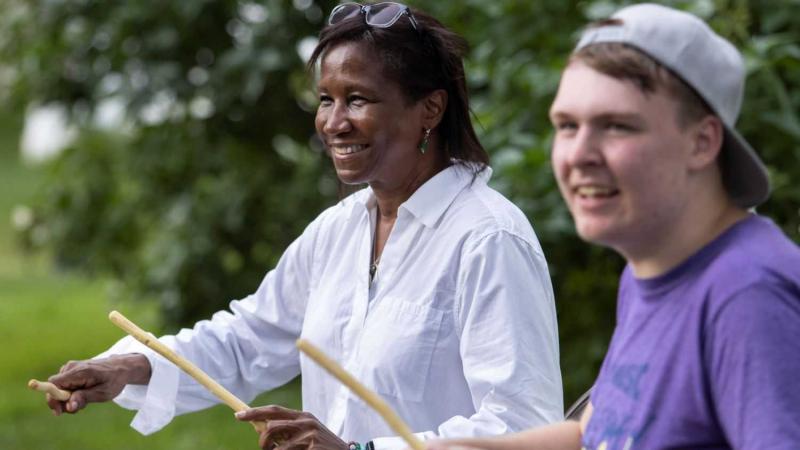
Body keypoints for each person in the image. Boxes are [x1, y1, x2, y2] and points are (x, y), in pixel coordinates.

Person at [44, 3, 564, 450]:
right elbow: (247, 339)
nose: (333, 122)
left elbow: (523, 428)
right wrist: (129, 366)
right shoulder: (337, 230)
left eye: (357, 99)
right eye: (325, 99)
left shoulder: (489, 239)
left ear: (430, 107)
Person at [423, 3, 800, 450]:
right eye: (567, 125)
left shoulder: (748, 294)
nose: (578, 154)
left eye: (616, 126)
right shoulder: (653, 268)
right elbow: (596, 432)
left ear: (702, 142)